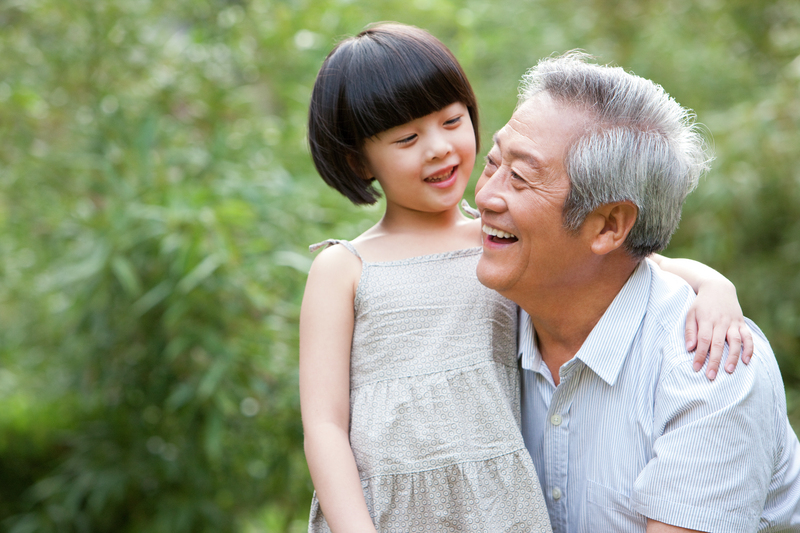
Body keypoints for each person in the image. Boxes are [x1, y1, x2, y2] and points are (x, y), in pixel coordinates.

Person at [300, 24, 750, 532]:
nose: (439, 148)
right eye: (407, 138)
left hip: (496, 501)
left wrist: (714, 286)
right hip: (387, 504)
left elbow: (638, 260)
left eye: (452, 121)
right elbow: (324, 425)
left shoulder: (497, 244)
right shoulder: (346, 267)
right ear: (358, 161)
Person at [474, 51, 800, 532]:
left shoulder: (712, 368)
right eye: (493, 162)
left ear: (608, 226)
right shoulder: (476, 310)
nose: (484, 197)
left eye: (519, 177)